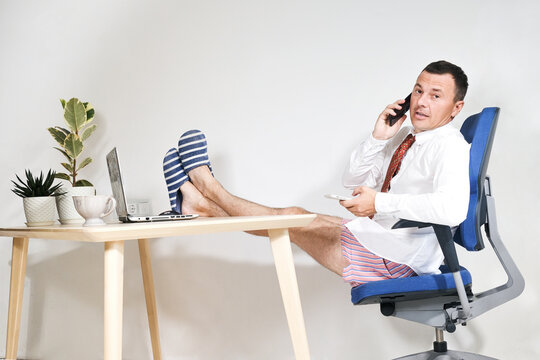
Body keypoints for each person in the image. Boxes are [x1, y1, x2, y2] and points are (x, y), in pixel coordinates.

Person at [162, 60, 471, 287]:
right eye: (418, 90)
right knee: (292, 216)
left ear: (456, 108)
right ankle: (200, 205)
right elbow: (352, 180)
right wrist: (378, 137)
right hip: (377, 240)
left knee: (288, 220)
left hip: (397, 262)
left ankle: (207, 189)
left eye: (435, 95)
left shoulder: (449, 146)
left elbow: (453, 209)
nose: (421, 101)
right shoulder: (405, 136)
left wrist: (379, 204)